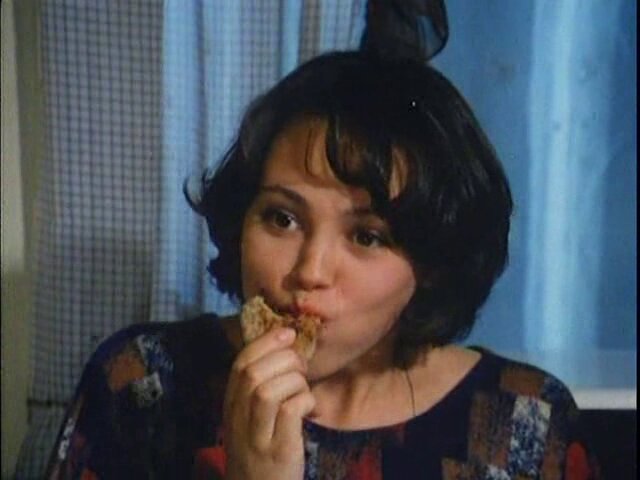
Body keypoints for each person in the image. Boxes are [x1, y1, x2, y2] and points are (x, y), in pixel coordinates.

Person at [45, 1, 600, 478]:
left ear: (431, 264)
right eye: (282, 219)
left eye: (367, 236)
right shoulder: (142, 384)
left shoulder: (526, 421)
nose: (309, 270)